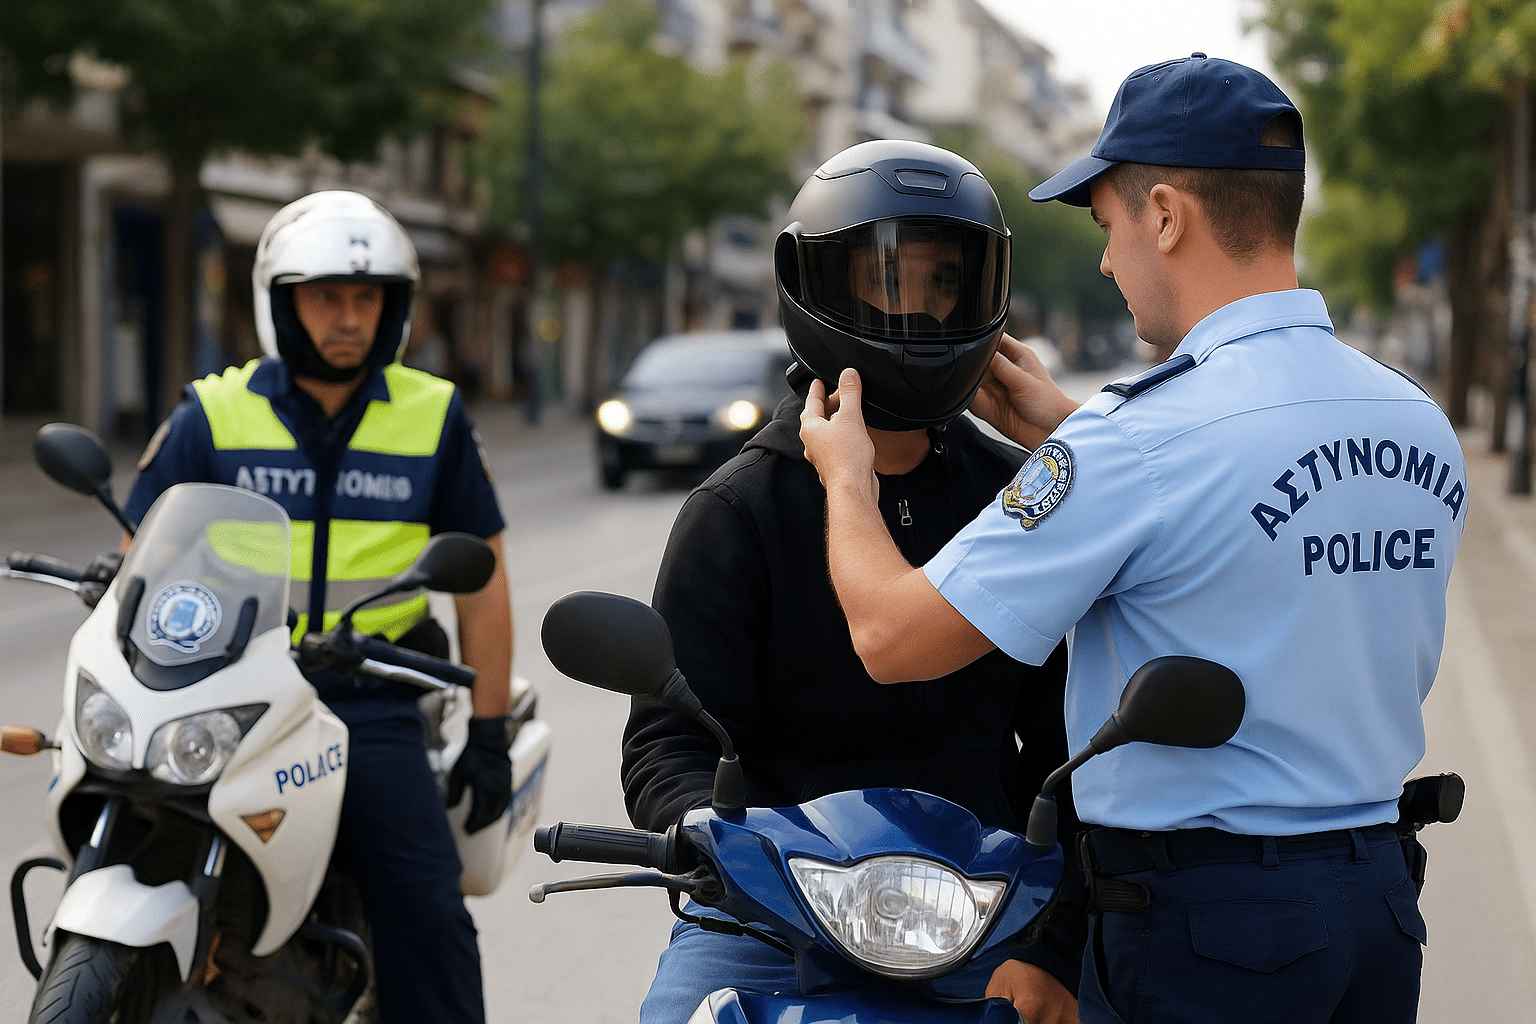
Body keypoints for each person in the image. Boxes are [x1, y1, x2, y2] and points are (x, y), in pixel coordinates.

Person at [800, 55, 1468, 1023]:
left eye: (1109, 226)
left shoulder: (1140, 440)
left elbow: (891, 633)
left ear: (1165, 215)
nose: (1109, 262)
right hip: (1377, 910)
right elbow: (1249, 535)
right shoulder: (1415, 422)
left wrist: (846, 478)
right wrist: (1074, 432)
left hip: (1211, 935)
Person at [622, 139, 1084, 1024]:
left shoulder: (1016, 498)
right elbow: (667, 745)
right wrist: (713, 842)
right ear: (821, 284)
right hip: (770, 915)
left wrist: (1054, 943)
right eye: (888, 279)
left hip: (983, 908)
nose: (918, 307)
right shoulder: (737, 510)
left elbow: (1067, 742)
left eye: (943, 282)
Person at [124, 190, 513, 1024]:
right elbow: (140, 561)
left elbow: (482, 581)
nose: (349, 317)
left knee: (428, 914)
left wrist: (488, 734)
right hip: (225, 690)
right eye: (326, 296)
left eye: (366, 298)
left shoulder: (433, 415)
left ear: (394, 306)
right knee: (128, 842)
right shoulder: (214, 412)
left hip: (366, 702)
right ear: (281, 303)